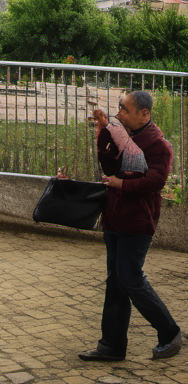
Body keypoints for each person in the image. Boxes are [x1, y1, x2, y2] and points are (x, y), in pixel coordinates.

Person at [79, 91, 183, 362]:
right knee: (116, 282)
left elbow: (155, 181)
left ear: (144, 114)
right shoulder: (124, 135)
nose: (119, 113)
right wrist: (103, 131)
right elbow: (109, 165)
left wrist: (122, 185)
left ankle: (169, 332)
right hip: (114, 217)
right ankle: (111, 346)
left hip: (137, 222)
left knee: (129, 278)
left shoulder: (159, 145)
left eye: (124, 109)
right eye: (119, 108)